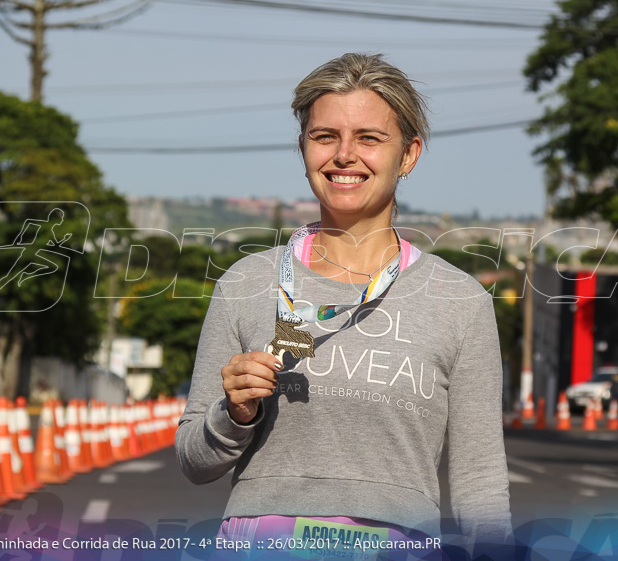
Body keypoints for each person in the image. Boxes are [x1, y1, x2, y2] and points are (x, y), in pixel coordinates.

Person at [175, 53, 512, 555]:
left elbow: (480, 480)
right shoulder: (247, 282)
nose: (343, 155)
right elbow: (195, 460)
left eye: (369, 138)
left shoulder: (461, 300)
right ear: (303, 147)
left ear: (409, 154)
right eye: (325, 136)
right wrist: (236, 413)